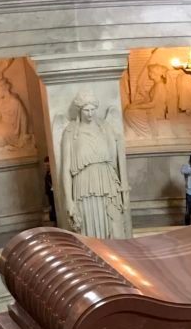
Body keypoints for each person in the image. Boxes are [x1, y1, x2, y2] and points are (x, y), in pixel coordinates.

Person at [61, 93, 128, 239]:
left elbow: (115, 158)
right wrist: (69, 201)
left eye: (93, 110)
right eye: (86, 110)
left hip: (107, 182)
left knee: (113, 224)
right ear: (80, 110)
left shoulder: (105, 127)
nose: (90, 114)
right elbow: (65, 169)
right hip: (84, 185)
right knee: (89, 226)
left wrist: (122, 186)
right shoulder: (71, 132)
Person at [44, 156, 56, 224]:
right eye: (45, 165)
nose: (46, 167)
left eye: (47, 165)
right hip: (50, 196)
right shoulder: (47, 174)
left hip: (54, 196)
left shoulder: (53, 174)